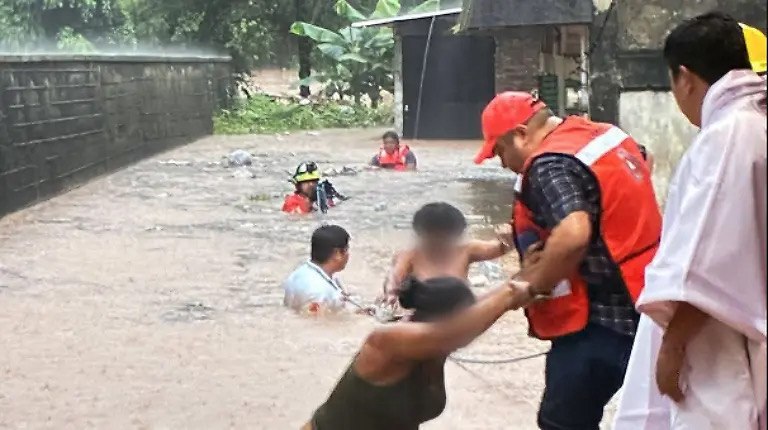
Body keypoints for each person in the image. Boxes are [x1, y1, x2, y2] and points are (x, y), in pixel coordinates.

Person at [474, 90, 663, 429]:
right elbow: (643, 160)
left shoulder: (547, 165)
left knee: (561, 422)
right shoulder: (604, 135)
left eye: (500, 151)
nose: (502, 163)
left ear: (521, 133)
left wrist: (533, 284)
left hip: (598, 322)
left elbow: (574, 233)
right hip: (647, 305)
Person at [614, 13, 767, 430]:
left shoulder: (731, 134)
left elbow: (707, 254)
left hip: (718, 334)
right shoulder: (754, 122)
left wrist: (674, 343)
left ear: (684, 78)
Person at [303, 276, 525, 430]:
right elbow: (460, 328)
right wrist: (510, 296)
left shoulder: (437, 350)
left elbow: (487, 303)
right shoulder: (386, 343)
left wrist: (531, 273)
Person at [379, 202, 513, 305]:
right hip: (422, 313)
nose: (440, 242)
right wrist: (391, 295)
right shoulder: (410, 255)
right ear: (421, 233)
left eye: (445, 236)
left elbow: (501, 248)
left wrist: (509, 235)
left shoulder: (466, 250)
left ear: (457, 233)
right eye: (434, 236)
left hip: (458, 312)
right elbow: (394, 279)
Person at [283, 225, 352, 314]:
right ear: (337, 253)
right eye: (346, 250)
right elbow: (316, 324)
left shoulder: (299, 273)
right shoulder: (319, 292)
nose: (348, 255)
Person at [282, 161, 347, 215]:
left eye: (314, 181)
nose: (311, 184)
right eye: (306, 181)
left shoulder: (322, 197)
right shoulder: (291, 201)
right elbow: (299, 218)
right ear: (298, 185)